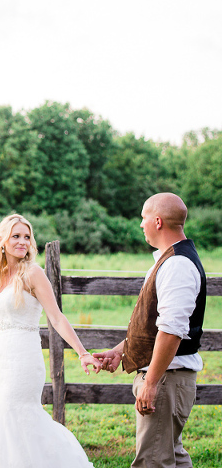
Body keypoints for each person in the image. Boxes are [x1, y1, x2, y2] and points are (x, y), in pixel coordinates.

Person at [0, 214, 100, 467]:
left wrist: (83, 353)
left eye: (27, 237)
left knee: (22, 414)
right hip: (4, 359)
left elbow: (57, 318)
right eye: (16, 236)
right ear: (2, 241)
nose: (22, 242)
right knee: (3, 416)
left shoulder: (33, 273)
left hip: (25, 358)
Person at [94, 193, 206, 468]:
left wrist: (151, 382)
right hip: (167, 378)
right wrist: (121, 351)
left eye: (143, 218)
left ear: (157, 221)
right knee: (172, 456)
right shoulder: (168, 261)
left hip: (167, 379)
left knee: (152, 462)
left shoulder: (177, 265)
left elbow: (171, 331)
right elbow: (154, 325)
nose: (140, 224)